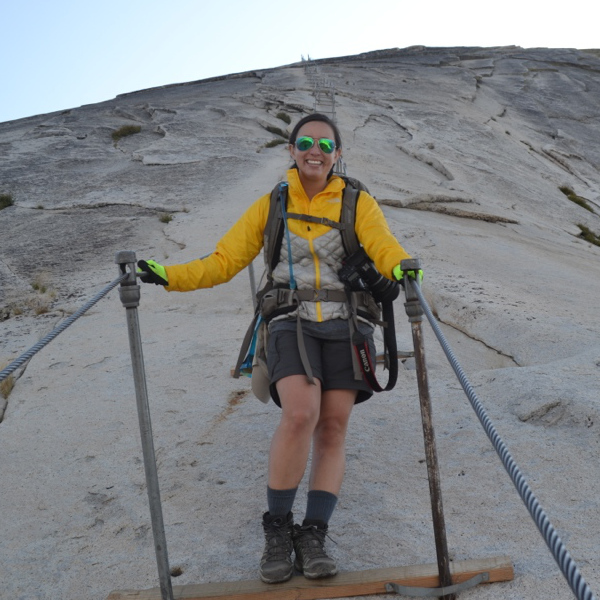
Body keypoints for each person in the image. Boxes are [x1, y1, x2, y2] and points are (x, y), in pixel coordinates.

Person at [137, 113, 420, 584]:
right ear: (290, 151)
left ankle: (313, 534)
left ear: (338, 153)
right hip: (291, 320)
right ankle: (277, 530)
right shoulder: (272, 204)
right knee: (299, 414)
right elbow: (225, 260)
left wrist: (403, 269)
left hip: (349, 323)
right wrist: (170, 276)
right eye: (305, 142)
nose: (315, 150)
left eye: (325, 144)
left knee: (332, 428)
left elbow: (383, 244)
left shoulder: (357, 202)